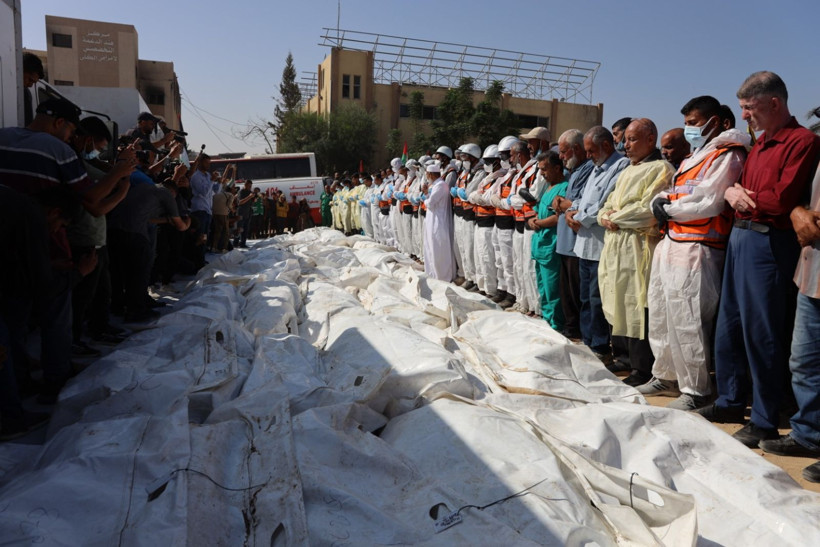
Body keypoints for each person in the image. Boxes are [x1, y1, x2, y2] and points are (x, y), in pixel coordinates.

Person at [696, 71, 820, 448]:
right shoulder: (761, 144)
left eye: (749, 109)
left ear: (775, 104)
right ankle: (731, 401)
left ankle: (765, 418)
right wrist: (733, 191)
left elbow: (780, 200)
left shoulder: (801, 142)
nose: (745, 117)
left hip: (768, 244)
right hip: (741, 238)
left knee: (761, 333)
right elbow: (746, 194)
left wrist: (744, 196)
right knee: (729, 326)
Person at [641, 95, 748, 410]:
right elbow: (675, 188)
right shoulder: (695, 156)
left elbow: (709, 201)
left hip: (699, 246)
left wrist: (668, 209)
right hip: (673, 240)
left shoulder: (729, 154)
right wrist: (660, 201)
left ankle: (696, 389)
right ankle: (666, 374)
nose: (689, 129)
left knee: (688, 320)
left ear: (716, 122)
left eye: (693, 123)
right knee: (661, 313)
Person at [598, 118, 674, 387]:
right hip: (616, 243)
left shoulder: (661, 168)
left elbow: (647, 211)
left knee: (638, 305)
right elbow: (606, 204)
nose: (624, 145)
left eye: (631, 139)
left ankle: (643, 368)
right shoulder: (629, 170)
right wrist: (605, 216)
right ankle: (625, 357)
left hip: (638, 245)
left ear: (650, 139)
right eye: (625, 140)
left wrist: (614, 218)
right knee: (617, 299)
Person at [757, 163, 820, 481]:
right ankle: (809, 435)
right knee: (804, 363)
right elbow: (796, 198)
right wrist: (797, 212)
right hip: (813, 276)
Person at [567, 126, 630, 362]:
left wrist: (578, 216)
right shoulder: (595, 168)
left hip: (600, 245)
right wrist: (573, 210)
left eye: (591, 150)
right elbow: (583, 197)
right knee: (585, 298)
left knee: (597, 300)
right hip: (584, 244)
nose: (589, 155)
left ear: (605, 146)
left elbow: (604, 205)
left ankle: (601, 347)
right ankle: (588, 341)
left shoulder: (620, 166)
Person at [552, 129, 595, 337]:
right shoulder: (574, 171)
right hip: (565, 241)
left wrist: (564, 204)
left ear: (576, 149)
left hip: (576, 242)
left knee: (578, 292)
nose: (561, 157)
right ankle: (570, 327)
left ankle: (577, 330)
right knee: (566, 290)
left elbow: (578, 205)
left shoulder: (588, 170)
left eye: (563, 152)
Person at [529, 151, 568, 329]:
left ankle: (556, 325)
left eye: (545, 169)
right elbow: (538, 210)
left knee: (553, 289)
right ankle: (547, 320)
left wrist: (539, 222)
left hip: (551, 245)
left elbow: (558, 217)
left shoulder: (564, 187)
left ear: (557, 168)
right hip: (540, 244)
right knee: (543, 288)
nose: (542, 173)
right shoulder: (548, 188)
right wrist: (532, 219)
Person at [469, 145, 506, 298]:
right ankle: (482, 285)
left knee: (488, 258)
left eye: (489, 161)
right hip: (479, 220)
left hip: (489, 223)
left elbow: (486, 198)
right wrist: (477, 198)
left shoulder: (500, 177)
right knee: (479, 256)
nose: (486, 164)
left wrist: (478, 198)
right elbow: (473, 194)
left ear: (498, 161)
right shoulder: (487, 177)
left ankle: (491, 290)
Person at [422, 162, 455, 281]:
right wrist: (426, 194)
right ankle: (433, 274)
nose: (426, 177)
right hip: (432, 220)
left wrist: (425, 198)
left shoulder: (441, 185)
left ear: (430, 174)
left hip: (438, 222)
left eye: (427, 174)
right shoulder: (435, 185)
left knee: (438, 249)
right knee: (431, 247)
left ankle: (442, 276)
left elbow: (430, 203)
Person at [22, 52, 44, 126]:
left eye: (33, 82)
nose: (30, 85)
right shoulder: (24, 93)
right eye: (30, 80)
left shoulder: (25, 92)